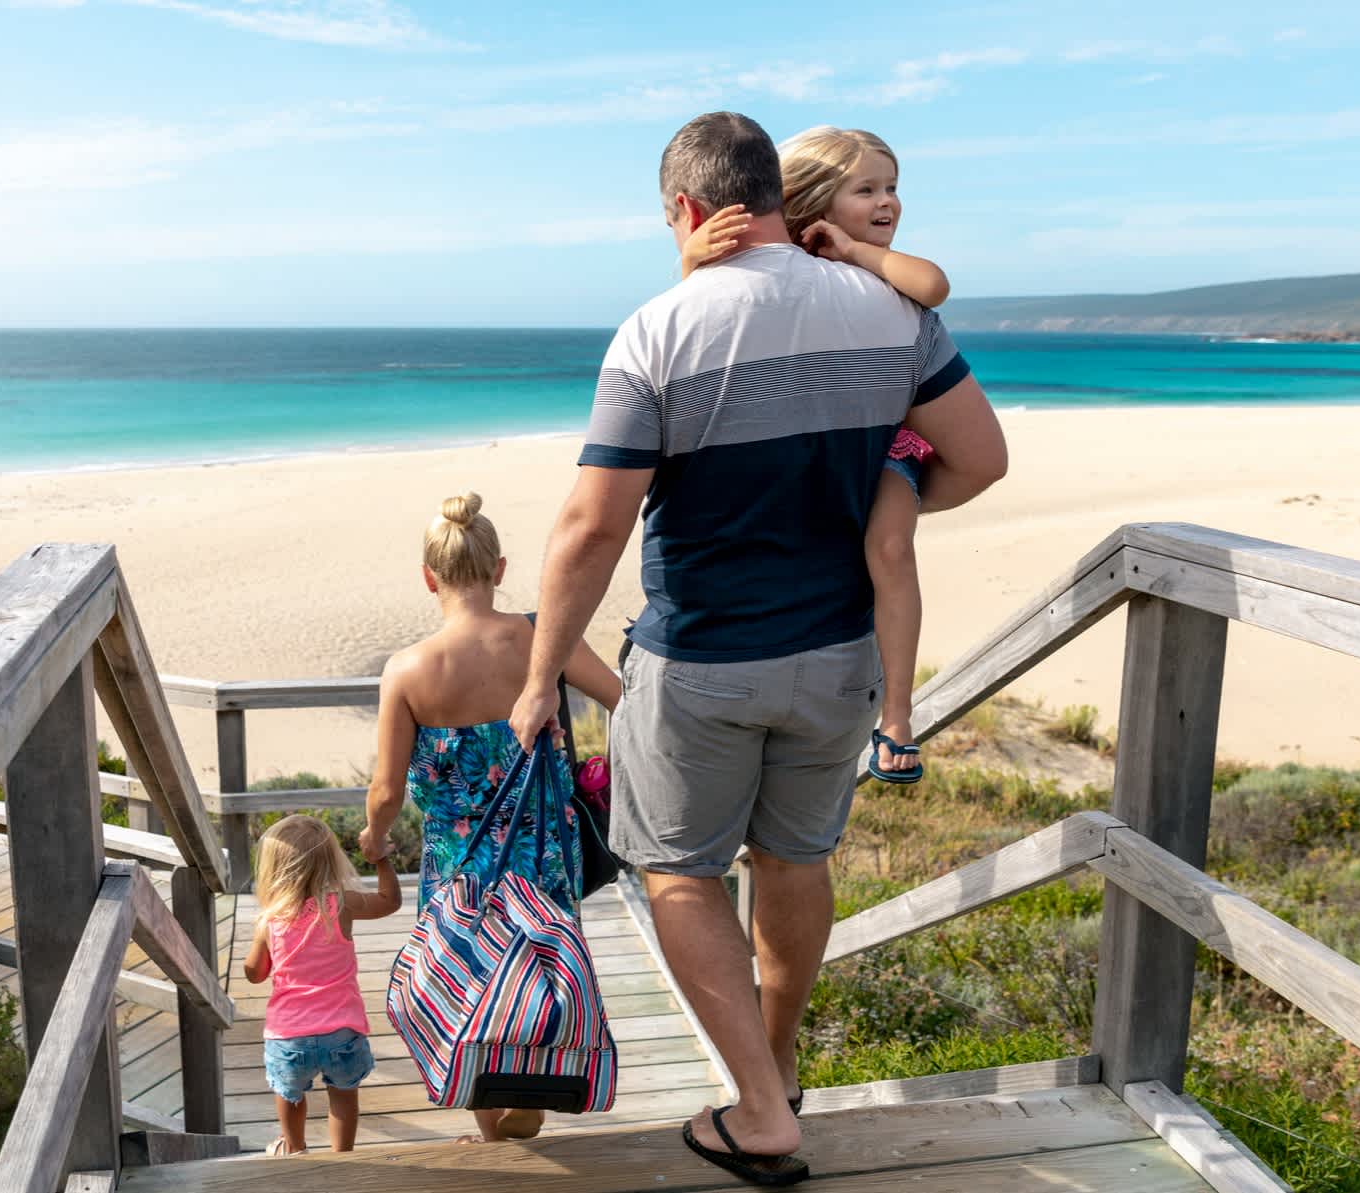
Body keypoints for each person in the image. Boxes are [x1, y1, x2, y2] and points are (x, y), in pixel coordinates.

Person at [509, 112, 1005, 1186]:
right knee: (796, 859)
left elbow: (592, 528)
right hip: (837, 655)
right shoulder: (890, 308)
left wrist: (543, 671)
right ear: (783, 198)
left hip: (702, 662)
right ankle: (771, 1064)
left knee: (681, 874)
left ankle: (763, 1111)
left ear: (687, 212)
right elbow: (983, 458)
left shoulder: (657, 328)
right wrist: (897, 487)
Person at [681, 125, 949, 783]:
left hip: (889, 442)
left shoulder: (877, 265)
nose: (887, 200)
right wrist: (689, 262)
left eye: (891, 187)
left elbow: (933, 284)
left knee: (888, 549)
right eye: (866, 189)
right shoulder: (783, 266)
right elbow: (705, 316)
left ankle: (896, 717)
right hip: (826, 441)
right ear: (811, 196)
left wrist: (856, 248)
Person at [358, 491, 622, 1143]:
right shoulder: (538, 636)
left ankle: (491, 1120)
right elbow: (622, 696)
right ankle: (536, 1086)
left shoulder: (407, 671)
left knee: (467, 980)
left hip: (458, 860)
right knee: (543, 965)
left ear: (429, 577)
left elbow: (386, 788)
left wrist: (373, 836)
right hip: (541, 852)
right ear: (498, 569)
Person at [243, 814, 401, 1156]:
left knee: (290, 1094)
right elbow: (390, 902)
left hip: (289, 1036)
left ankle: (296, 1148)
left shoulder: (270, 919)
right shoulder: (340, 903)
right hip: (342, 1031)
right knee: (343, 1097)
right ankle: (342, 1155)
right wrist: (381, 859)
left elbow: (255, 973)